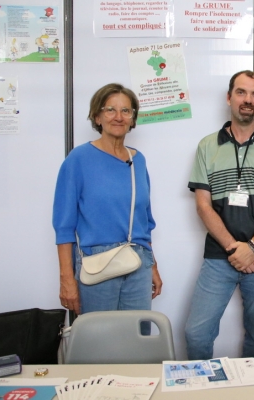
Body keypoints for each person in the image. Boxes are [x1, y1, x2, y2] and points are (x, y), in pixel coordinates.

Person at [185, 70, 254, 360]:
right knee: (196, 333)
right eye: (241, 92)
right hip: (219, 256)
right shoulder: (207, 146)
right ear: (229, 97)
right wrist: (235, 248)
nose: (248, 99)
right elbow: (203, 206)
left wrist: (253, 248)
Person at [53, 83, 162, 318]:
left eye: (126, 111)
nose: (118, 117)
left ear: (133, 119)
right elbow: (64, 227)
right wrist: (66, 279)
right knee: (99, 343)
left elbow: (144, 221)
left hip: (138, 261)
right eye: (110, 109)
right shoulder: (79, 159)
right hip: (97, 265)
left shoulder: (138, 161)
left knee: (137, 340)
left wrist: (152, 265)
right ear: (97, 116)